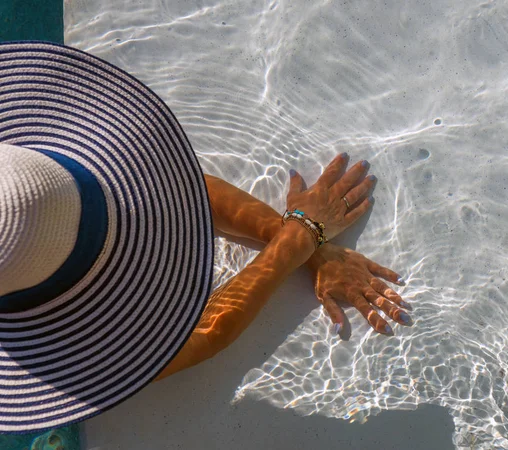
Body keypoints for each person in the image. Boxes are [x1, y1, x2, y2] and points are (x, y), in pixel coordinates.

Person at [0, 41, 411, 435]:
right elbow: (198, 336)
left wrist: (305, 241)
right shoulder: (76, 368)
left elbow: (173, 190)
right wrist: (300, 237)